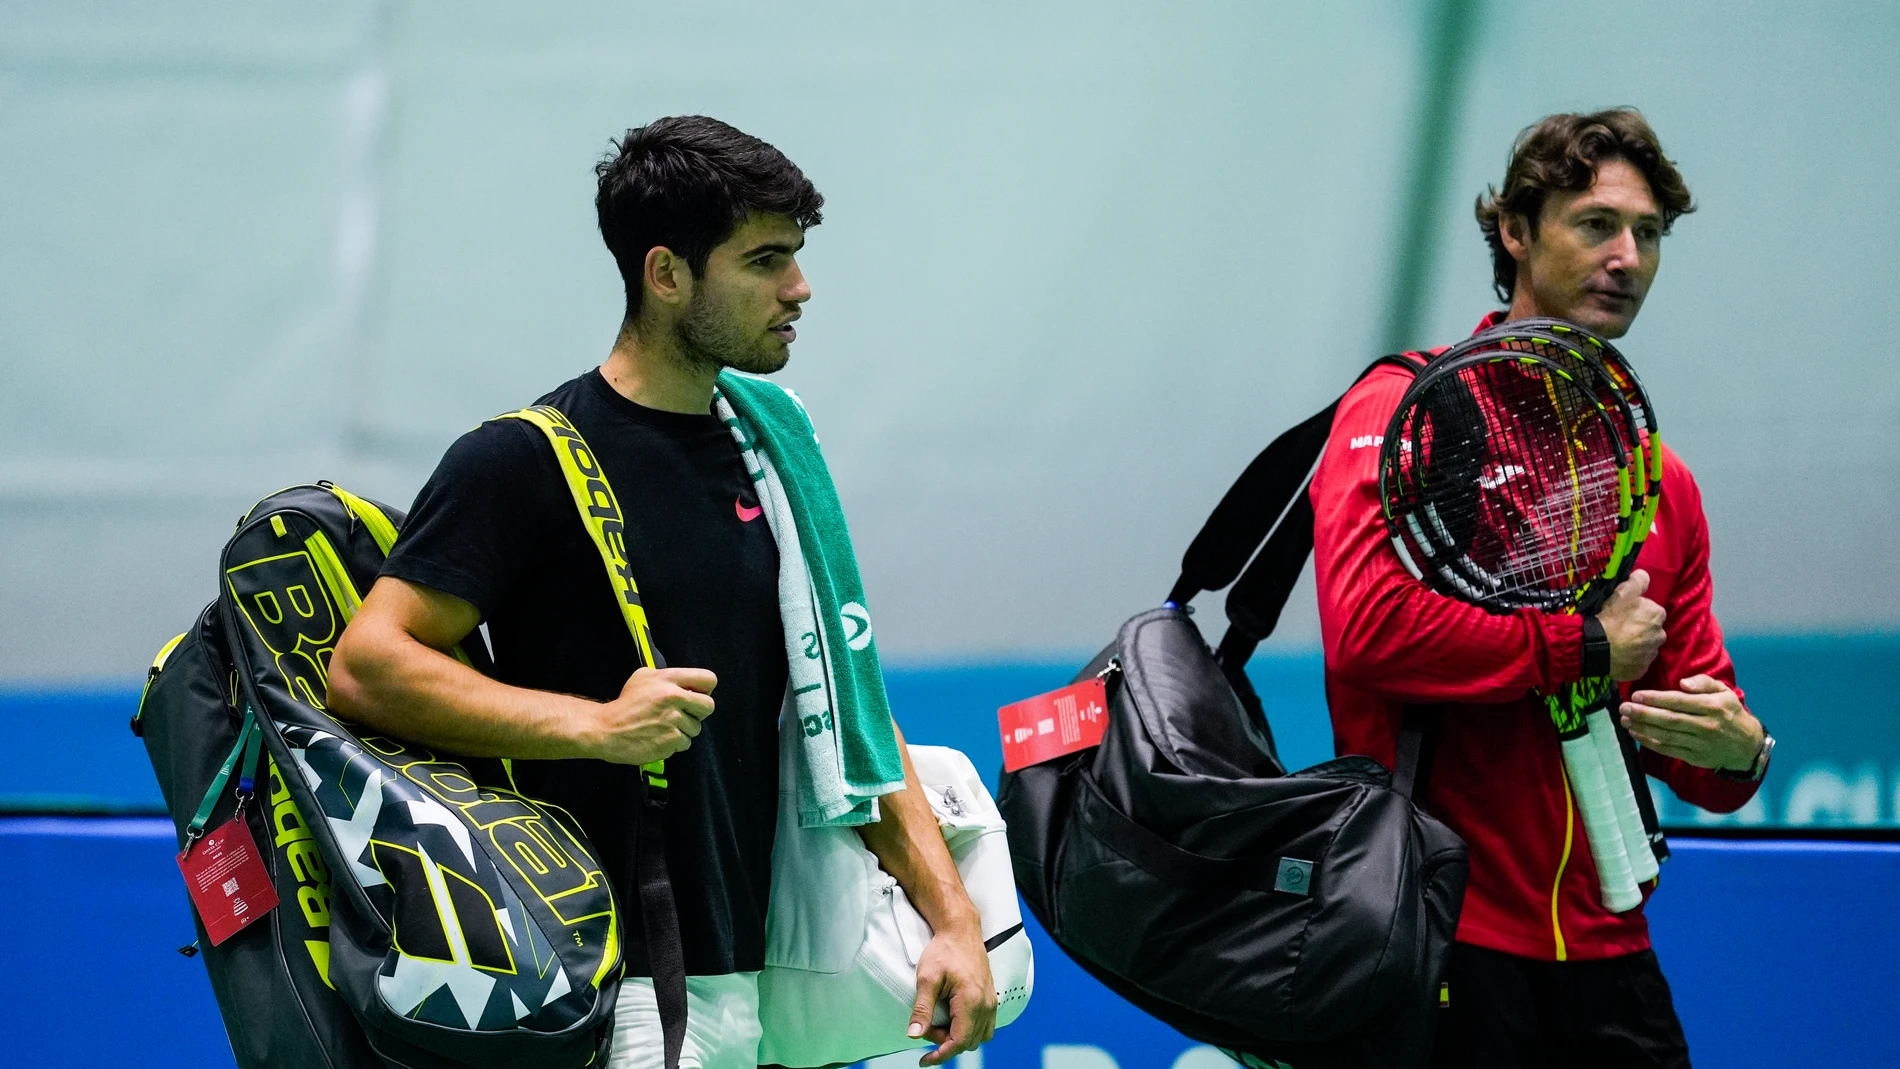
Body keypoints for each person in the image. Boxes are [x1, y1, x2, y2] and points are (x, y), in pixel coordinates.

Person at [327, 115, 996, 1069]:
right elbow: (368, 666)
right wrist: (592, 725)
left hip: (770, 973)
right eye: (765, 261)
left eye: (796, 257)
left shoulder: (771, 444)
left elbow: (849, 709)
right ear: (666, 273)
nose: (798, 288)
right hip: (615, 982)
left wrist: (954, 917)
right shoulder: (520, 460)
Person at [1309, 109, 1772, 1067]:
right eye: (1596, 224)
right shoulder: (1405, 410)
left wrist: (1740, 752)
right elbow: (1369, 631)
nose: (1628, 258)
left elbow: (1692, 740)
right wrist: (1584, 646)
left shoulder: (1658, 479)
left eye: (1648, 234)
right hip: (1442, 938)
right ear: (1517, 232)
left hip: (1611, 957)